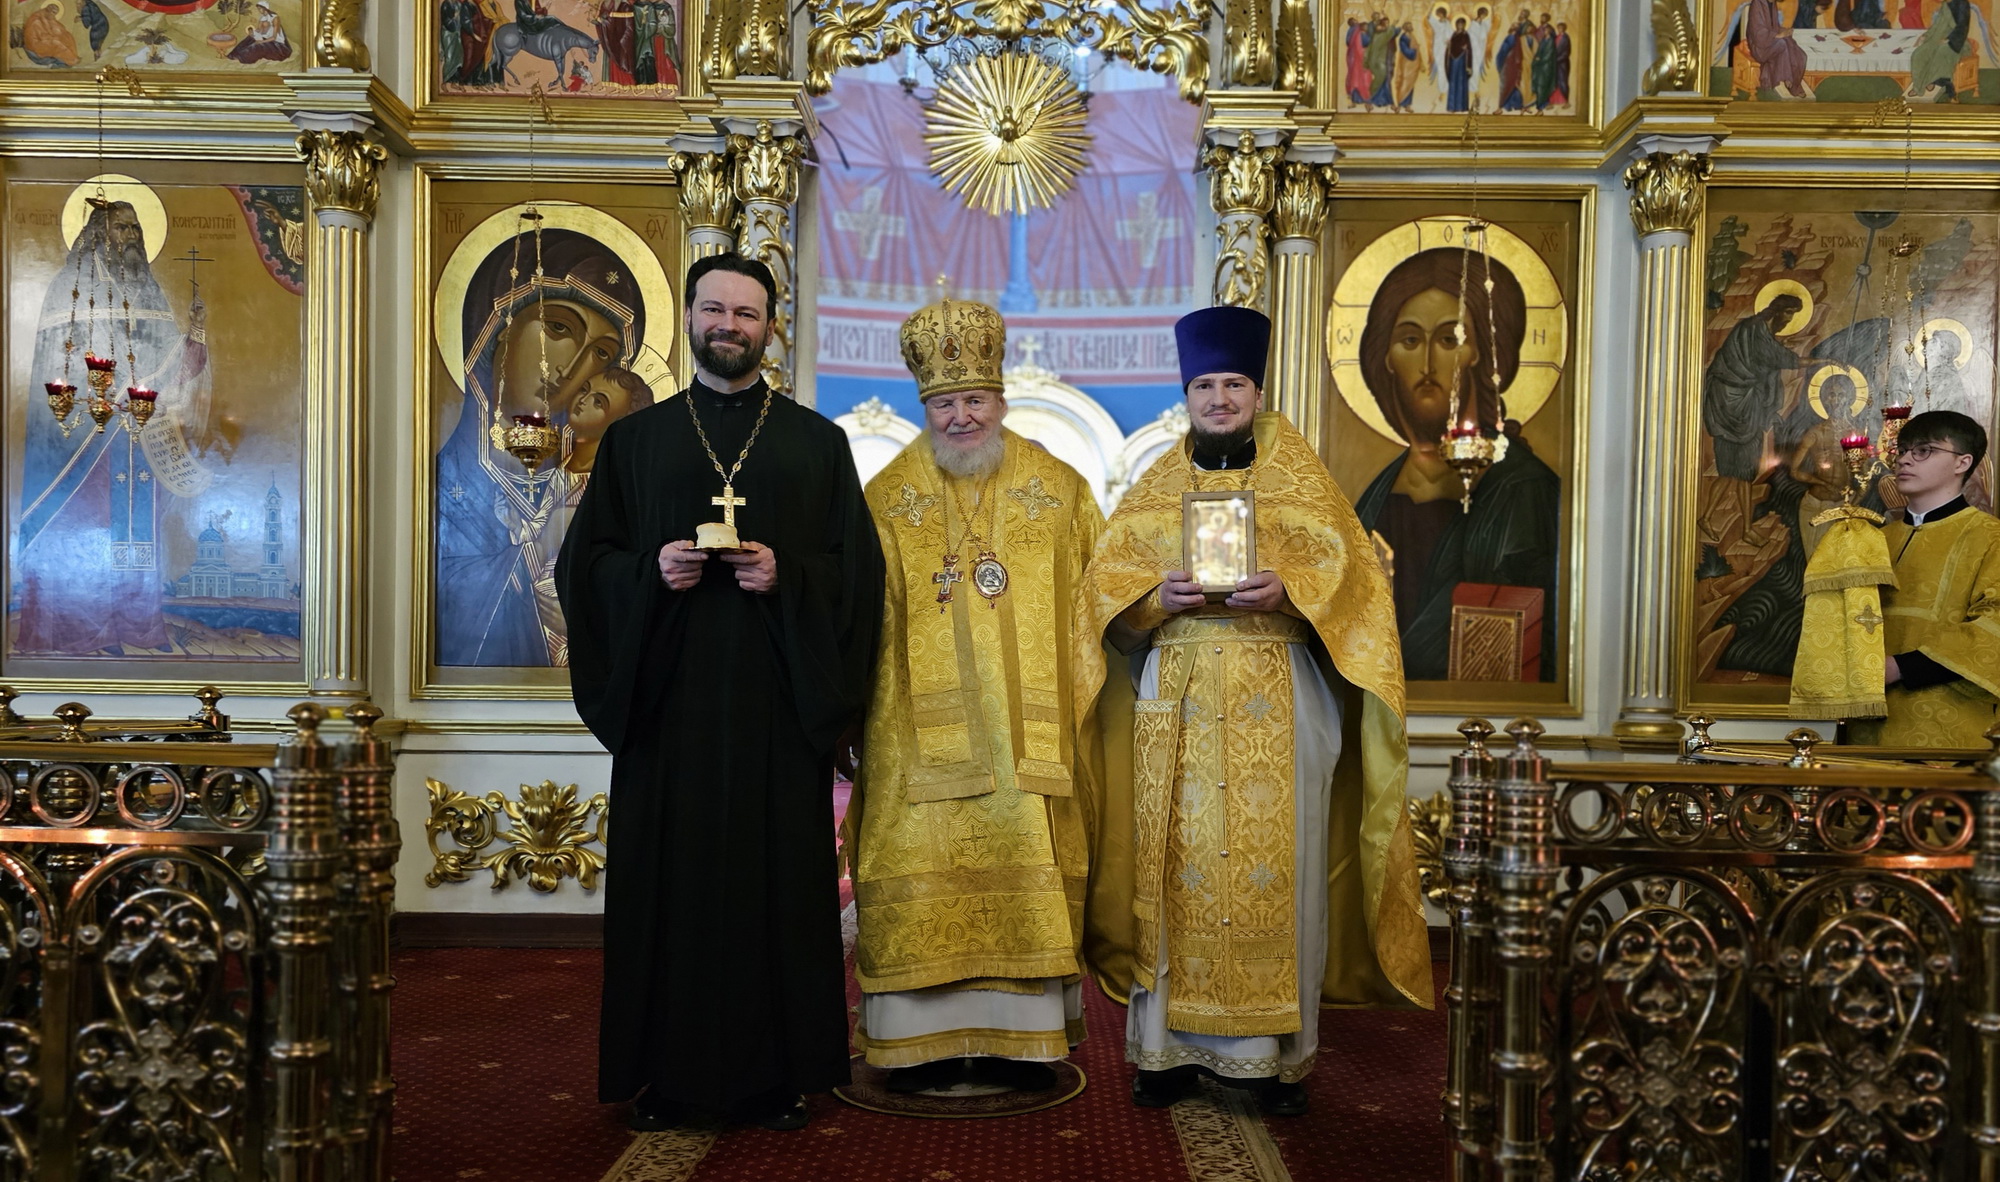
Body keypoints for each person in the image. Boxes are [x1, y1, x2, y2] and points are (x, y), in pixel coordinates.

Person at [1075, 306, 1432, 1118]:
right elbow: (1102, 608)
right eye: (1204, 385)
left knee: (1283, 871)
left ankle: (1266, 1061)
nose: (1219, 399)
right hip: (1177, 702)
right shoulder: (1154, 488)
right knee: (1173, 868)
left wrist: (1294, 595)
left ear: (1257, 392)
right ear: (1187, 396)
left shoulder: (1304, 483)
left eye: (1233, 384)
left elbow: (1359, 594)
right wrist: (1152, 601)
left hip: (1280, 694)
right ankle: (1165, 1053)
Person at [555, 253, 884, 1132]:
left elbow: (858, 576)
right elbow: (585, 567)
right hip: (671, 712)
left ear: (771, 326)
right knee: (673, 892)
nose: (729, 325)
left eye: (746, 313)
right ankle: (668, 1079)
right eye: (714, 309)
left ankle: (777, 1078)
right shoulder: (636, 442)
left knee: (775, 890)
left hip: (775, 711)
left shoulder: (817, 443)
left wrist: (789, 576)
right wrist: (649, 572)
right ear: (691, 317)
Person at [847, 297, 1103, 1095]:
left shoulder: (1059, 491)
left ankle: (1019, 1044)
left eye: (974, 400)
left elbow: (1096, 608)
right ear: (925, 407)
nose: (960, 416)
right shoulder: (886, 499)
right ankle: (916, 1046)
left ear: (1000, 399)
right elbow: (857, 619)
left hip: (1029, 748)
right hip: (914, 747)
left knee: (1025, 875)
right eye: (944, 403)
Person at [1350, 246, 1561, 682]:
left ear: (1481, 352)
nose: (1427, 364)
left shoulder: (1521, 486)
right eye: (1410, 340)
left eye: (1450, 339)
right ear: (1386, 356)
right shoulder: (1375, 496)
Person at [17, 197, 212, 657]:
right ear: (99, 233)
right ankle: (83, 634)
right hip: (85, 440)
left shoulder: (149, 290)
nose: (132, 237)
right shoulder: (69, 285)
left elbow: (169, 366)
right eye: (123, 228)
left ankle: (138, 628)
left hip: (138, 436)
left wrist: (195, 335)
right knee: (87, 528)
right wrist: (111, 390)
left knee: (137, 533)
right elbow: (56, 365)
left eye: (136, 229)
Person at [435, 229, 638, 667]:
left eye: (602, 354)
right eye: (559, 327)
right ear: (496, 330)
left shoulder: (602, 487)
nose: (572, 369)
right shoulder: (442, 483)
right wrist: (536, 555)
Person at [1848, 411, 2000, 746]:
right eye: (1902, 451)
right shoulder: (1875, 541)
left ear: (1962, 462)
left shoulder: (1991, 537)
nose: (1904, 460)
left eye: (1923, 451)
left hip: (1949, 732)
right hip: (1864, 730)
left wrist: (1899, 667)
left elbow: (1994, 627)